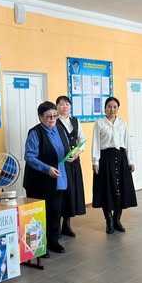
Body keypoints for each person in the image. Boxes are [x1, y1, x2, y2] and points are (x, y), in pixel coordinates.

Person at [23, 101, 70, 254]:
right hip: (39, 180)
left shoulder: (60, 129)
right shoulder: (35, 133)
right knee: (39, 215)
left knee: (55, 211)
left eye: (55, 115)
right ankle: (37, 247)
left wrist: (72, 155)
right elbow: (29, 157)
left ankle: (53, 241)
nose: (52, 119)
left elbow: (66, 148)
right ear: (40, 117)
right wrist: (47, 168)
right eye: (48, 116)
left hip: (58, 178)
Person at [91, 97, 137, 234]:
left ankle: (117, 219)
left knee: (121, 189)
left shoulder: (122, 123)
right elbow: (96, 143)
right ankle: (109, 221)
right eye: (109, 106)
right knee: (106, 190)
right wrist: (95, 162)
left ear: (118, 108)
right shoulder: (99, 123)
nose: (112, 109)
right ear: (105, 108)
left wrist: (130, 160)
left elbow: (127, 142)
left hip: (121, 158)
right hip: (105, 159)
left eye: (115, 107)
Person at [56, 96, 86, 237]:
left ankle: (66, 225)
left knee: (72, 192)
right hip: (60, 162)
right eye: (61, 104)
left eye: (67, 104)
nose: (64, 107)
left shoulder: (75, 121)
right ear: (57, 107)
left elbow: (82, 140)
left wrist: (77, 154)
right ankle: (56, 225)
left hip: (73, 161)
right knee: (61, 192)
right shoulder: (54, 121)